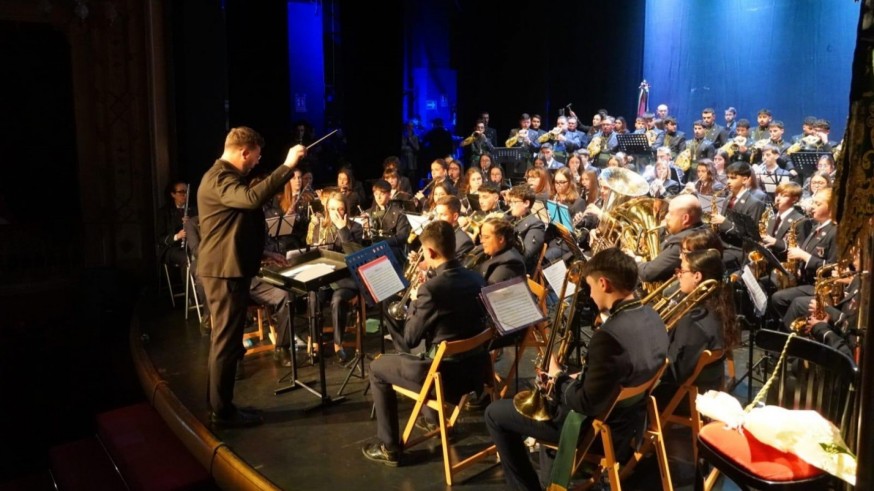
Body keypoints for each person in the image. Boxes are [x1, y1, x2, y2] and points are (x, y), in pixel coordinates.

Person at [485, 248, 668, 490]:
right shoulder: (651, 315)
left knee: (495, 413)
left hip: (597, 430)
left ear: (604, 283)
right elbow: (620, 372)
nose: (590, 295)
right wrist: (574, 377)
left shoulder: (609, 336)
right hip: (629, 422)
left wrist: (559, 380)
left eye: (590, 287)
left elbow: (584, 403)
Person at [197, 127, 306, 427]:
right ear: (244, 152)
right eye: (255, 158)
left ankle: (221, 406)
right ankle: (221, 412)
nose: (256, 163)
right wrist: (287, 166)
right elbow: (250, 199)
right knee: (226, 343)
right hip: (224, 273)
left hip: (232, 268)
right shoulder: (220, 177)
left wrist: (262, 255)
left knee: (229, 343)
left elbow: (232, 227)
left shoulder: (225, 178)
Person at [362, 220, 490, 467]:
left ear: (430, 252)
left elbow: (410, 338)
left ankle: (389, 448)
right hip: (476, 373)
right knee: (432, 352)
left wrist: (413, 303)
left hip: (444, 380)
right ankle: (433, 419)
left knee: (378, 368)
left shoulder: (430, 290)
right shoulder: (477, 279)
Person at [653, 248, 738, 407]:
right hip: (705, 392)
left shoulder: (693, 321)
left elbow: (674, 372)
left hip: (682, 399)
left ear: (697, 276)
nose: (678, 275)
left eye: (682, 271)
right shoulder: (720, 309)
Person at [638, 193, 707, 284]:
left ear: (685, 218)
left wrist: (634, 259)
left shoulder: (684, 242)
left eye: (670, 213)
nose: (666, 217)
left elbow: (647, 273)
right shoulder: (700, 229)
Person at [364, 180, 411, 260]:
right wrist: (366, 229)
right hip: (373, 247)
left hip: (392, 248)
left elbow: (402, 236)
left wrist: (383, 243)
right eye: (376, 194)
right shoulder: (368, 212)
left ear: (389, 194)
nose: (378, 197)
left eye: (382, 194)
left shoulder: (399, 212)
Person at [507, 185, 546, 274]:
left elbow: (526, 255)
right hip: (509, 260)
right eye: (510, 202)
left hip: (521, 269)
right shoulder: (512, 218)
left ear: (526, 203)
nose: (511, 205)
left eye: (514, 202)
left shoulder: (536, 225)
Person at [476, 217, 526, 284]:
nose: (481, 241)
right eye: (481, 237)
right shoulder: (489, 250)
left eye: (486, 237)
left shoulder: (511, 263)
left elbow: (490, 289)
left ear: (500, 239)